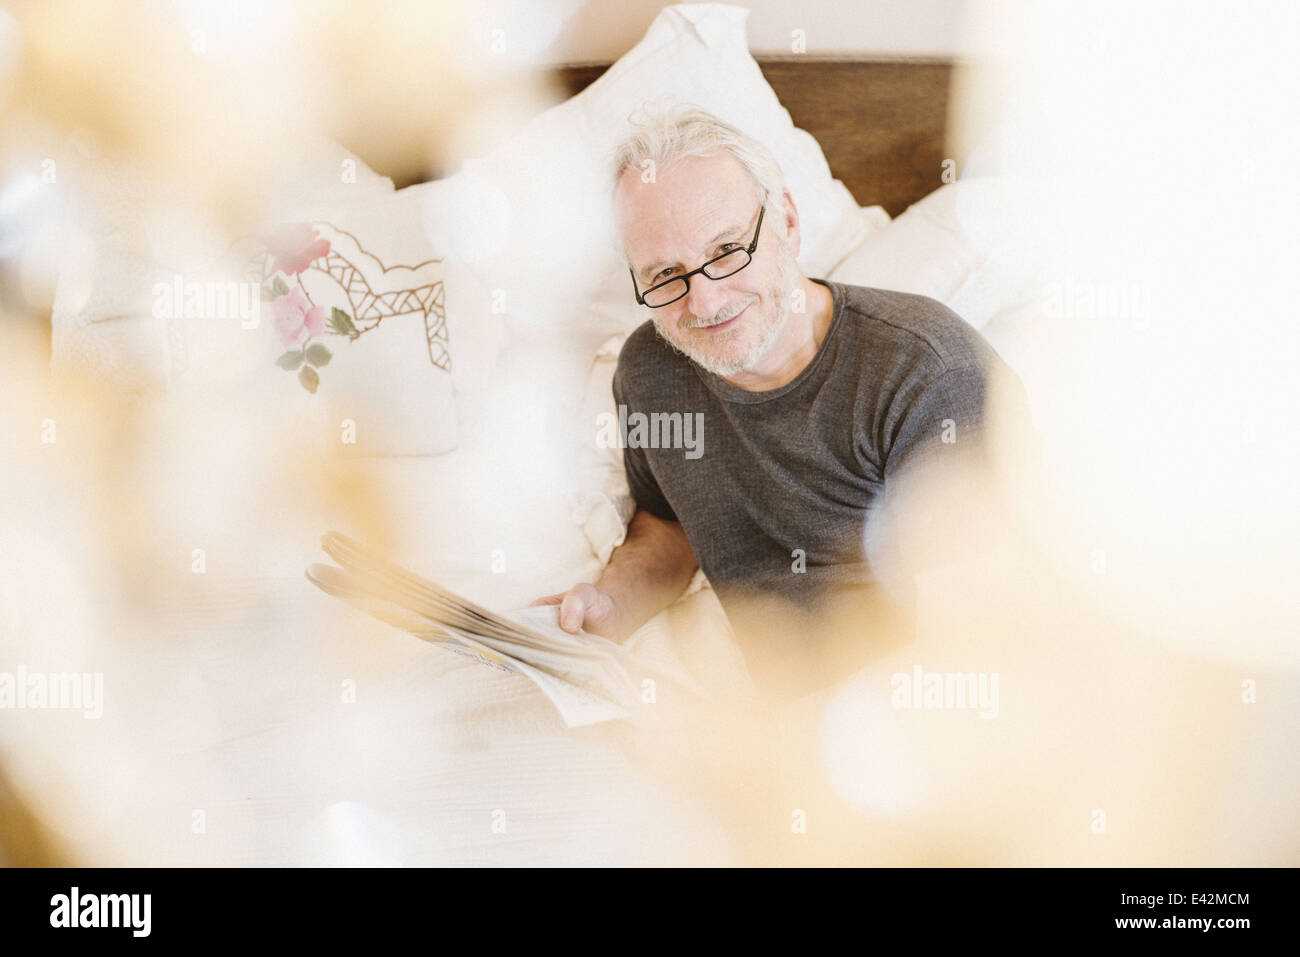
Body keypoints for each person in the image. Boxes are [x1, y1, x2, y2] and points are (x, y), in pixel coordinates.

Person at [533, 105, 1023, 698]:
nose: (706, 303)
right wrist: (609, 605)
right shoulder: (649, 372)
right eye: (664, 275)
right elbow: (668, 525)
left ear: (787, 222)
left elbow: (973, 649)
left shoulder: (928, 376)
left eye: (726, 250)